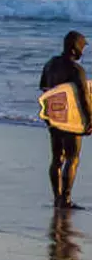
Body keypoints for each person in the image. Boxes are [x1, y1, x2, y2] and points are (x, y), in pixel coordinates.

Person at [40, 31, 92, 209]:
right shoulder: (76, 70)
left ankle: (57, 198)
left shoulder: (50, 64)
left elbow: (45, 89)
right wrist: (90, 120)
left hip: (55, 119)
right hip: (72, 120)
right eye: (82, 47)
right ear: (75, 47)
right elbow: (84, 97)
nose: (82, 52)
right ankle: (66, 199)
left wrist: (49, 116)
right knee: (72, 158)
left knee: (56, 158)